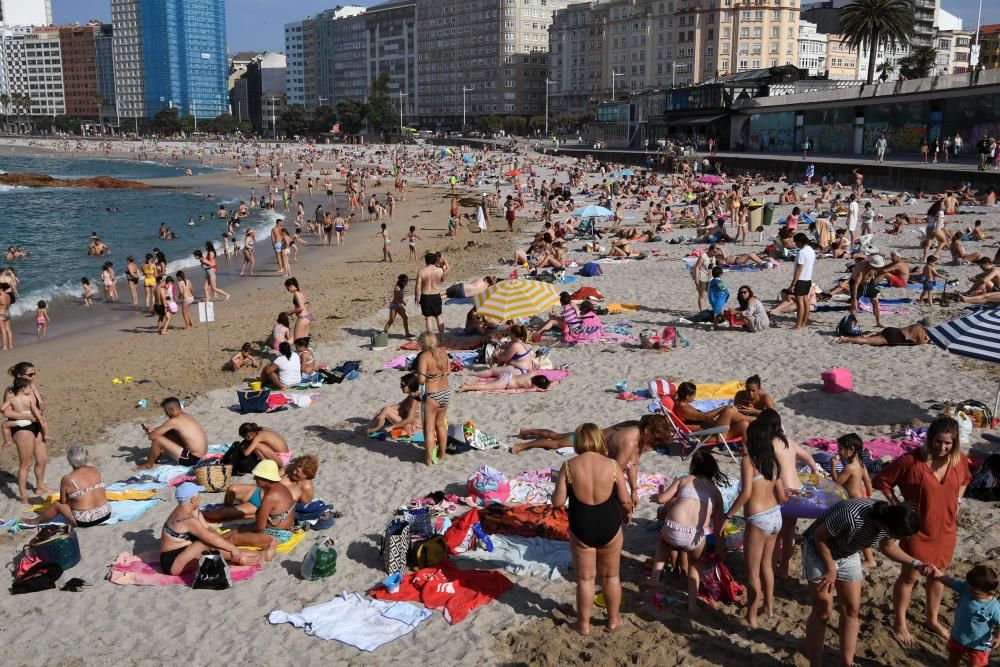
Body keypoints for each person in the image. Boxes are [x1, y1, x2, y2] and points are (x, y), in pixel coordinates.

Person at [874, 416, 973, 645]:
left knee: (938, 576)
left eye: (948, 443)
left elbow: (966, 480)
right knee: (910, 576)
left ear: (955, 443)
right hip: (918, 531)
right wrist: (897, 504)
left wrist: (958, 499)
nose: (942, 447)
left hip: (947, 529)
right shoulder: (911, 460)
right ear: (930, 439)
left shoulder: (959, 461)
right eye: (938, 441)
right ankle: (899, 622)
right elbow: (882, 480)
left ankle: (932, 619)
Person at [803, 499, 923, 667]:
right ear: (889, 527)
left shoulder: (887, 524)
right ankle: (815, 664)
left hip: (848, 553)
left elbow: (888, 547)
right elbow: (819, 537)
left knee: (852, 608)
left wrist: (916, 563)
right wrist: (831, 568)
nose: (905, 539)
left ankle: (848, 663)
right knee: (823, 610)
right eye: (901, 536)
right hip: (818, 552)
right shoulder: (851, 515)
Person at [550, 423, 633, 636]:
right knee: (611, 576)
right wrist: (627, 512)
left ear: (578, 442)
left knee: (585, 579)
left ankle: (583, 625)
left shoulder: (568, 466)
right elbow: (625, 499)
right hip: (609, 525)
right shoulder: (613, 465)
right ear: (599, 440)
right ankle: (613, 620)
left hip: (582, 526)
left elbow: (558, 502)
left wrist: (560, 490)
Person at [643, 450, 727, 614]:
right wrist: (719, 547)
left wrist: (656, 498)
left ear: (693, 467)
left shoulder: (684, 479)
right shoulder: (715, 492)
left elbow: (662, 499)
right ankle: (692, 604)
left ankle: (654, 578)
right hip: (696, 535)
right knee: (695, 566)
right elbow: (718, 525)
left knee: (663, 542)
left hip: (674, 526)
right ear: (712, 470)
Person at [726, 419, 788, 628]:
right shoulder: (773, 461)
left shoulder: (748, 460)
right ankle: (768, 607)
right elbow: (781, 496)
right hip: (775, 515)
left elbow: (746, 494)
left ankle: (751, 616)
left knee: (752, 571)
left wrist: (729, 514)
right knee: (767, 566)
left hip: (758, 518)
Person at [159, 482, 255, 575]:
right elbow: (209, 537)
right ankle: (251, 557)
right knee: (209, 543)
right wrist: (232, 549)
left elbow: (208, 528)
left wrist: (221, 541)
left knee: (217, 543)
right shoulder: (187, 519)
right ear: (193, 499)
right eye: (199, 495)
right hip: (173, 562)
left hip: (182, 552)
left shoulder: (188, 509)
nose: (200, 498)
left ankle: (253, 555)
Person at [203, 455, 318, 522]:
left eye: (298, 473)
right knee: (231, 489)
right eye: (295, 467)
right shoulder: (289, 468)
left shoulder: (306, 487)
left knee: (225, 513)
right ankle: (228, 510)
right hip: (257, 490)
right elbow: (270, 478)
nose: (293, 471)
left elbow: (303, 507)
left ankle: (202, 515)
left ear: (307, 475)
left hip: (264, 503)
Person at [21, 446, 111, 527]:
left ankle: (36, 521)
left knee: (57, 504)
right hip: (106, 513)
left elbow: (63, 502)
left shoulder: (68, 479)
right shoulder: (95, 470)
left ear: (70, 461)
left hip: (86, 520)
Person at [928, 565, 1000, 667]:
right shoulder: (967, 588)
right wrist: (938, 574)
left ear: (990, 592)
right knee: (952, 660)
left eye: (974, 591)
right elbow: (951, 582)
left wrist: (998, 637)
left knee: (975, 665)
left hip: (979, 645)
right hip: (958, 637)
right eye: (968, 586)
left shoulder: (994, 608)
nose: (969, 591)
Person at [224, 460, 296, 560]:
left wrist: (248, 532)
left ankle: (208, 547)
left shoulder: (270, 496)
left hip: (276, 536)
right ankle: (209, 542)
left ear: (266, 478)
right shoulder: (280, 487)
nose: (255, 479)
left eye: (258, 477)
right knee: (236, 531)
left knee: (233, 538)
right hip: (280, 530)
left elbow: (260, 526)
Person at [832, 433, 876, 568]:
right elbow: (868, 482)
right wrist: (869, 494)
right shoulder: (861, 465)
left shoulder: (849, 467)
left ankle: (869, 560)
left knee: (858, 532)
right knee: (862, 531)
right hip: (863, 499)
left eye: (840, 449)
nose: (838, 452)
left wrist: (833, 466)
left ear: (850, 450)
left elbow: (836, 483)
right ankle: (869, 559)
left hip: (855, 503)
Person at [3, 377, 49, 502]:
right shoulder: (10, 392)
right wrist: (27, 415)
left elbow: (38, 407)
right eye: (30, 374)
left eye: (34, 373)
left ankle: (40, 486)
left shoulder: (31, 387)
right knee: (26, 464)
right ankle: (23, 496)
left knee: (43, 459)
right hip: (23, 426)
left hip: (34, 424)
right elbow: (5, 412)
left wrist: (40, 409)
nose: (33, 376)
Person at [138, 397, 208, 469]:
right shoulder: (187, 416)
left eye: (166, 411)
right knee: (169, 433)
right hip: (202, 456)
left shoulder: (174, 421)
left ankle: (148, 464)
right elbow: (166, 429)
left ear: (172, 410)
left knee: (157, 440)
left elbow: (152, 437)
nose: (166, 414)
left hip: (192, 459)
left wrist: (151, 432)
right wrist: (154, 430)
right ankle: (158, 453)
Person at [673, 381, 751, 442]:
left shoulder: (682, 403)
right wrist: (722, 408)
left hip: (712, 429)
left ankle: (754, 421)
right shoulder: (683, 409)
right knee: (729, 410)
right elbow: (705, 417)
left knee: (743, 423)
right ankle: (755, 419)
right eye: (693, 395)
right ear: (687, 396)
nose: (694, 397)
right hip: (710, 435)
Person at [414, 332, 449, 466]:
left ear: (421, 344)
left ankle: (428, 461)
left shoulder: (424, 357)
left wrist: (419, 376)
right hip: (445, 393)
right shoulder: (443, 352)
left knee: (429, 429)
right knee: (440, 425)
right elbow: (449, 371)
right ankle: (442, 455)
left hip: (432, 395)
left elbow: (422, 380)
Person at [415, 252, 448, 334]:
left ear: (426, 261)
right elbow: (443, 279)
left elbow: (418, 286)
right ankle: (442, 337)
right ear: (434, 261)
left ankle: (431, 338)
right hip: (436, 295)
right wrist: (444, 270)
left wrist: (417, 297)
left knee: (428, 318)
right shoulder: (439, 270)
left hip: (425, 296)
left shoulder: (421, 271)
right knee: (439, 316)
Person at [850, 254, 884, 328]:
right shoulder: (861, 267)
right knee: (854, 305)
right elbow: (856, 284)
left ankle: (878, 322)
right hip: (857, 284)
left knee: (875, 302)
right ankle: (853, 323)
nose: (878, 268)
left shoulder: (875, 267)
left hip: (869, 283)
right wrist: (854, 299)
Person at [789, 233, 816, 330]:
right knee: (806, 302)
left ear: (800, 241)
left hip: (801, 280)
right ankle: (804, 321)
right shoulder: (811, 250)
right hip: (808, 279)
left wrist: (793, 283)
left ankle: (798, 324)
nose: (795, 244)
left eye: (796, 242)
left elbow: (799, 269)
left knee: (800, 303)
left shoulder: (802, 252)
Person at [837, 322, 931, 346]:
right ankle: (845, 339)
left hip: (893, 330)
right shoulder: (921, 333)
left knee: (871, 336)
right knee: (866, 341)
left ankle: (870, 334)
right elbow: (919, 342)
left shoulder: (916, 326)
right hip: (896, 337)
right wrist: (927, 341)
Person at [458, 371, 551, 392]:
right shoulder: (530, 385)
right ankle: (466, 387)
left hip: (507, 374)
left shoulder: (532, 374)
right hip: (506, 382)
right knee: (486, 387)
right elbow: (534, 389)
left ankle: (468, 384)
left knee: (487, 384)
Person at [283, 277, 313, 341]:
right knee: (305, 340)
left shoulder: (296, 293)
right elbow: (306, 304)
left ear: (291, 286)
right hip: (308, 316)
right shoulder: (301, 292)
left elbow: (301, 308)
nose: (288, 290)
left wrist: (291, 312)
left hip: (303, 317)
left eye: (287, 288)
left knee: (297, 341)